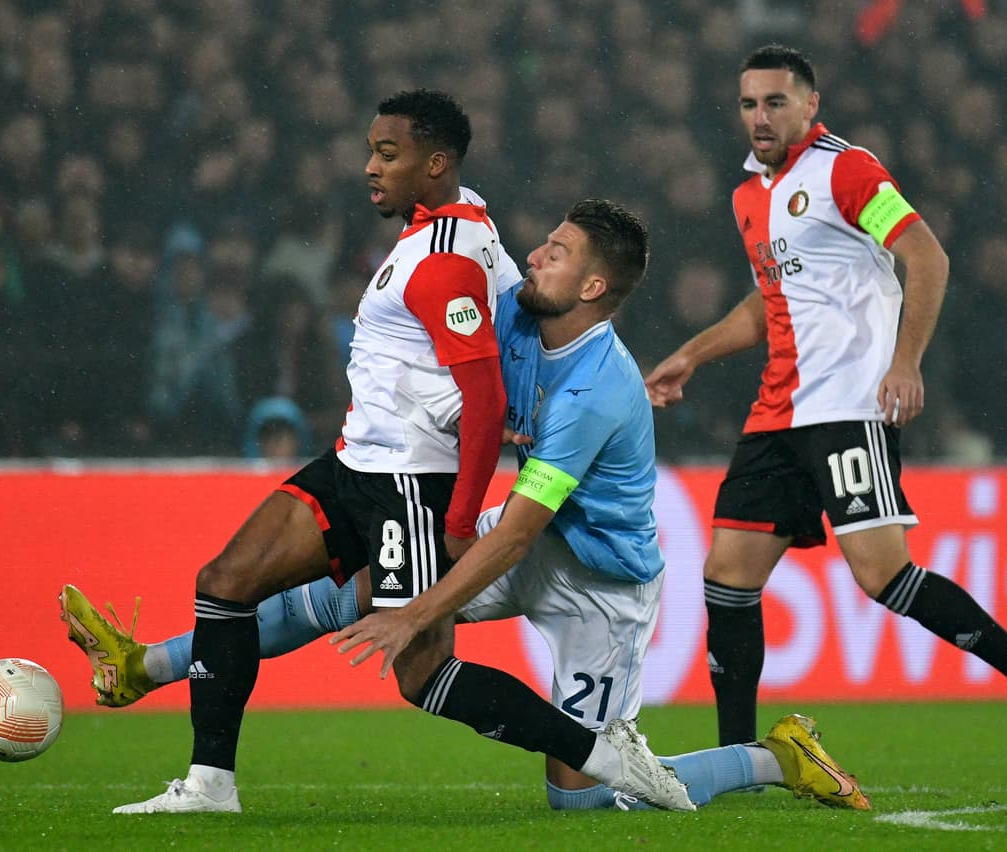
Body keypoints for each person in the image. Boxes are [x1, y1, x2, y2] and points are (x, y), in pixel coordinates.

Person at [63, 199, 871, 812]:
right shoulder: (518, 314)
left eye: (555, 253)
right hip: (524, 536)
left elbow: (517, 535)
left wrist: (417, 614)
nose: (533, 255)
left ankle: (774, 756)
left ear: (593, 286)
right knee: (349, 596)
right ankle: (146, 666)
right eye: (541, 241)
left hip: (598, 581)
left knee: (579, 792)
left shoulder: (594, 389)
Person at [93, 90, 691, 814]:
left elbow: (484, 394)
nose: (370, 168)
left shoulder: (443, 263)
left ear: (432, 164)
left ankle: (601, 753)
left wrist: (463, 516)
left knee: (420, 674)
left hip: (407, 482)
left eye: (388, 154)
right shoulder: (457, 222)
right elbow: (490, 345)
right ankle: (209, 782)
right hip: (354, 463)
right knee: (227, 581)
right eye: (372, 150)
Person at [643, 44, 1007, 759]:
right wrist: (691, 355)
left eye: (775, 102)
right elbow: (769, 304)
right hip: (777, 413)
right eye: (748, 104)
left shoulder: (847, 169)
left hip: (850, 404)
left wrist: (906, 362)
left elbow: (927, 256)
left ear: (809, 104)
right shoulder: (747, 195)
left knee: (883, 576)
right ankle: (738, 759)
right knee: (726, 578)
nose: (759, 117)